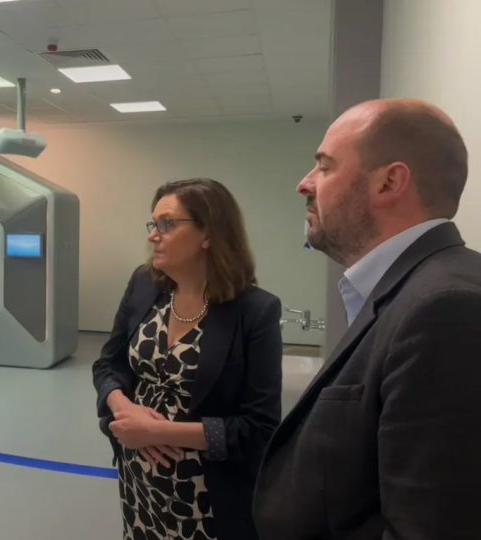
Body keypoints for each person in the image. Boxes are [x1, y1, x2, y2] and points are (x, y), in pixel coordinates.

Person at [253, 98, 481, 539]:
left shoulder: (445, 309)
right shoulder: (409, 290)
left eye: (324, 166)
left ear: (389, 182)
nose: (305, 184)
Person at [92, 179, 283, 540]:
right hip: (139, 482)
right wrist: (123, 408)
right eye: (153, 224)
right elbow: (108, 365)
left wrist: (160, 432)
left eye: (167, 224)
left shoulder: (254, 312)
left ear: (208, 233)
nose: (153, 236)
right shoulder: (145, 285)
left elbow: (259, 427)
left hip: (208, 495)